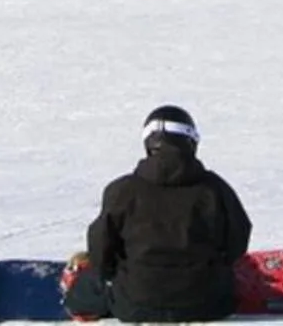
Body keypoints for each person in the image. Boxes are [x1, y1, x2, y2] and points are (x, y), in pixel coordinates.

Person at [63, 106, 251, 323]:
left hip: (135, 304)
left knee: (89, 285)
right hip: (205, 303)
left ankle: (82, 301)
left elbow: (101, 247)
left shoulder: (122, 191)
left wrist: (109, 271)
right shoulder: (215, 189)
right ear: (191, 143)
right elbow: (238, 237)